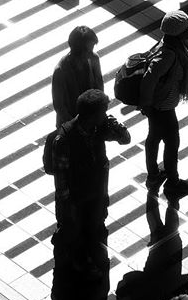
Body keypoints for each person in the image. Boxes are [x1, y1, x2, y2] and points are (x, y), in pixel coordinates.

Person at [52, 89, 130, 276]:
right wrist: (66, 202)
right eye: (102, 112)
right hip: (76, 195)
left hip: (96, 190)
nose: (105, 115)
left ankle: (85, 254)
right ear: (91, 115)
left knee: (94, 225)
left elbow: (125, 140)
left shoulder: (99, 128)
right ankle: (78, 262)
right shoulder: (64, 139)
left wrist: (116, 126)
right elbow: (60, 174)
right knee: (75, 229)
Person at [140, 11, 188, 197]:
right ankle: (172, 182)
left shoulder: (171, 45)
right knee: (172, 143)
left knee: (154, 138)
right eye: (186, 27)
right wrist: (147, 105)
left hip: (160, 105)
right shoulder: (168, 54)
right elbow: (150, 79)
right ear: (178, 32)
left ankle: (153, 175)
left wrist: (186, 83)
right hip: (162, 107)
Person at [52, 25, 104, 126]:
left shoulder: (93, 59)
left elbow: (99, 85)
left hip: (92, 120)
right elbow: (59, 106)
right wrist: (76, 126)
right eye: (88, 51)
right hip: (70, 125)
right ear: (78, 51)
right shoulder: (61, 71)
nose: (91, 54)